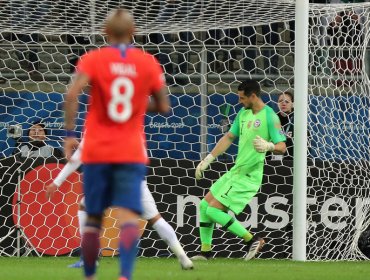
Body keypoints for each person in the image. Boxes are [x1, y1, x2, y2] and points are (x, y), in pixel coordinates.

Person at [63, 9, 170, 280]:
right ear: (134, 32)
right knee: (128, 217)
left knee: (93, 216)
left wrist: (70, 135)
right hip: (131, 150)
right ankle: (124, 277)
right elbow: (164, 106)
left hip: (98, 149)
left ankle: (90, 275)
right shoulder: (148, 63)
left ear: (105, 32)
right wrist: (137, 103)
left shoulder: (93, 59)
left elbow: (72, 94)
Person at [45, 143, 194, 270]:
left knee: (85, 208)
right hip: (136, 180)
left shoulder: (97, 126)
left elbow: (77, 158)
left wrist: (56, 182)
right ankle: (183, 257)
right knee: (155, 219)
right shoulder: (131, 125)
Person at [192, 80, 286, 261]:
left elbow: (282, 147)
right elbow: (229, 137)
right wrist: (208, 159)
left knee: (213, 211)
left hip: (250, 174)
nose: (239, 101)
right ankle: (205, 252)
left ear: (253, 96)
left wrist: (269, 146)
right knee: (204, 206)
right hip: (236, 171)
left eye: (242, 98)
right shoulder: (243, 113)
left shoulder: (270, 116)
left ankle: (252, 240)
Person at [274, 91, 294, 160]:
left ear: (292, 104)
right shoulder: (273, 120)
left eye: (287, 102)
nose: (283, 103)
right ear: (277, 104)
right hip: (273, 161)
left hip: (292, 162)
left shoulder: (298, 121)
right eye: (280, 101)